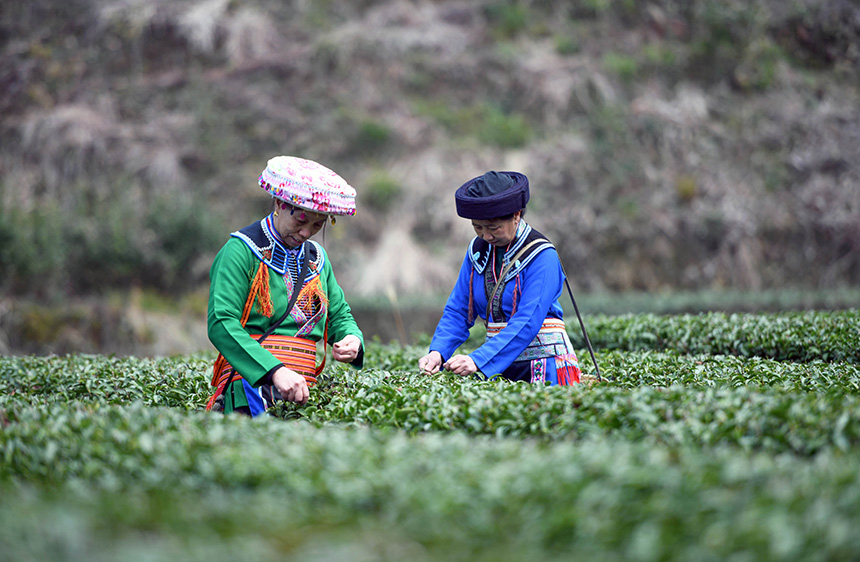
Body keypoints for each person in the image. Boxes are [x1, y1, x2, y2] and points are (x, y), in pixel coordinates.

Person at [206, 155, 364, 416]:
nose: (306, 233)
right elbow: (221, 322)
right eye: (301, 221)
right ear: (280, 204)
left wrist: (351, 339)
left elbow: (339, 316)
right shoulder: (240, 251)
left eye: (317, 225)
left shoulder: (318, 260)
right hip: (251, 387)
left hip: (305, 392)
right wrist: (274, 370)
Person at [418, 170, 583, 385]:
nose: (486, 235)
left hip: (544, 365)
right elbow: (458, 311)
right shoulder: (477, 252)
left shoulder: (543, 256)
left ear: (516, 216)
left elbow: (528, 321)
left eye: (493, 227)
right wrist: (438, 352)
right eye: (478, 227)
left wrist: (478, 359)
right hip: (498, 368)